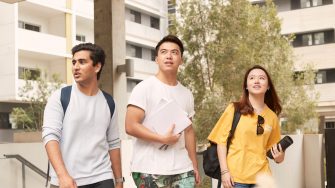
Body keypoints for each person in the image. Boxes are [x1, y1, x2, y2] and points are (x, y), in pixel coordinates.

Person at [42, 43, 124, 188]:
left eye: (82, 62)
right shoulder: (61, 97)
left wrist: (118, 180)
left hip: (102, 177)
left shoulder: (109, 102)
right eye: (74, 62)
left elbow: (113, 143)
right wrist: (62, 175)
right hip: (68, 180)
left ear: (97, 67)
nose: (75, 67)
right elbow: (50, 137)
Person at [125, 35, 201, 187]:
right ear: (157, 59)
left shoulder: (186, 93)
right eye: (164, 52)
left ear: (181, 59)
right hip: (149, 169)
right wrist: (162, 139)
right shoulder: (144, 88)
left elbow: (189, 131)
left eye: (174, 52)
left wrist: (194, 164)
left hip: (183, 168)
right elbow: (130, 126)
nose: (169, 56)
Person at [208, 65, 285, 188]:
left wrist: (280, 157)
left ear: (268, 86)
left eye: (261, 78)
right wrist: (224, 172)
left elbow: (274, 152)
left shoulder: (272, 117)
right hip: (235, 178)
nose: (256, 81)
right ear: (246, 85)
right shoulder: (234, 109)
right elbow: (221, 143)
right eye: (252, 78)